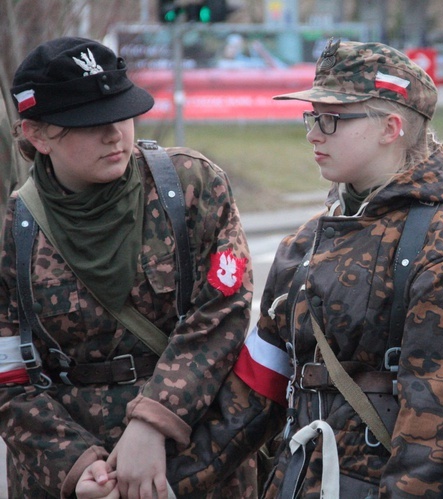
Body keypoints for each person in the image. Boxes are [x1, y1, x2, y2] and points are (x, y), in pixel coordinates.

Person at [229, 39, 443, 497]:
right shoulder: (308, 239)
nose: (313, 133)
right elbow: (252, 395)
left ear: (391, 127)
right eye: (311, 117)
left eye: (331, 119)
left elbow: (434, 435)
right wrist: (161, 477)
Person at [0, 37, 255, 498]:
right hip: (73, 474)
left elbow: (223, 314)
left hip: (195, 458)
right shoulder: (11, 231)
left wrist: (153, 419)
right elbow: (8, 376)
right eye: (89, 122)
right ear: (37, 135)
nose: (114, 132)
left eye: (121, 112)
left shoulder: (190, 185)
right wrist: (75, 468)